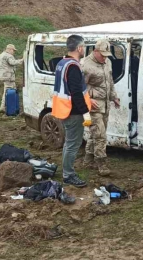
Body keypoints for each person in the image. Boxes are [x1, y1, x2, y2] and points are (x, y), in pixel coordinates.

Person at [52, 35, 90, 188]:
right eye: (84, 47)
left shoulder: (62, 62)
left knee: (69, 143)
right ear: (79, 48)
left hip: (63, 109)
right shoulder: (73, 66)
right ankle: (68, 175)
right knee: (73, 143)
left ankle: (67, 172)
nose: (84, 49)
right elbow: (75, 92)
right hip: (73, 111)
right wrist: (85, 111)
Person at [81, 39, 120, 176]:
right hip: (93, 105)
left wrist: (114, 97)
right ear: (95, 51)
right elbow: (79, 87)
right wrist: (89, 99)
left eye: (106, 55)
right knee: (100, 135)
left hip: (105, 104)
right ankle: (101, 163)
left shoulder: (107, 62)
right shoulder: (85, 65)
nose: (104, 58)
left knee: (96, 133)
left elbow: (110, 81)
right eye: (102, 55)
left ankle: (88, 159)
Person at [0, 44, 24, 113]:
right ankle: (6, 107)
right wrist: (22, 60)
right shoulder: (8, 56)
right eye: (13, 50)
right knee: (8, 91)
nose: (14, 52)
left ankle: (9, 106)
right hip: (9, 76)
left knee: (10, 90)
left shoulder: (0, 55)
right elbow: (12, 62)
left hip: (3, 76)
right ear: (10, 49)